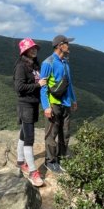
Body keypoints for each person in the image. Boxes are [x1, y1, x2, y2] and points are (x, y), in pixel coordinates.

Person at [40, 34, 78, 174]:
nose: (69, 45)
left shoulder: (65, 62)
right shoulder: (48, 63)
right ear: (60, 45)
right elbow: (43, 87)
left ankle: (62, 158)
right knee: (52, 133)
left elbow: (69, 84)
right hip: (54, 104)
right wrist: (46, 106)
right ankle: (50, 161)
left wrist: (73, 99)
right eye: (67, 43)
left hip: (66, 103)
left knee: (65, 132)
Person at [14, 37, 47, 187]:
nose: (34, 50)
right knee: (30, 138)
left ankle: (21, 161)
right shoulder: (21, 66)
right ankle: (33, 172)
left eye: (35, 48)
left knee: (24, 133)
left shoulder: (34, 65)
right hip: (25, 105)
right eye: (31, 48)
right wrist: (37, 85)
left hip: (33, 104)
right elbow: (19, 87)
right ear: (24, 51)